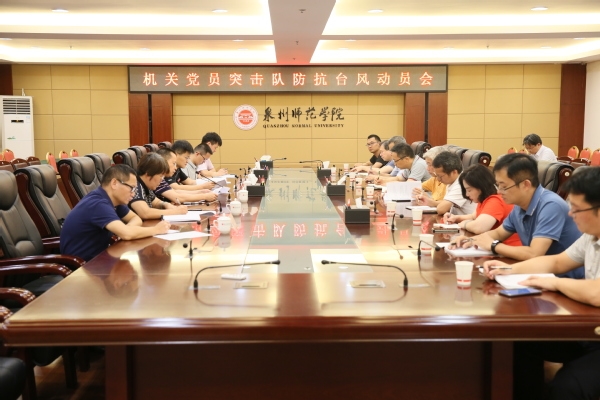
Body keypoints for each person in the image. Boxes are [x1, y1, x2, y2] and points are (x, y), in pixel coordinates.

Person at [483, 167, 600, 400]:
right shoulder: (591, 235)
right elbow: (557, 262)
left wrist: (555, 284)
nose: (570, 214)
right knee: (520, 344)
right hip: (591, 330)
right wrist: (507, 269)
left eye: (576, 209)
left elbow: (597, 293)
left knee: (568, 386)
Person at [451, 153, 582, 267]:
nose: (499, 192)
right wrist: (470, 241)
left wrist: (493, 245)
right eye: (498, 185)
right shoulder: (520, 206)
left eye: (504, 187)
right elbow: (498, 234)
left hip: (564, 279)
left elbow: (534, 253)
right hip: (538, 271)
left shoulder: (551, 205)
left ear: (525, 185)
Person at [60, 164, 171, 262]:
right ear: (114, 183)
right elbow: (127, 234)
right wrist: (156, 230)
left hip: (101, 258)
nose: (133, 194)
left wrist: (127, 230)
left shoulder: (113, 200)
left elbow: (135, 219)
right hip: (82, 266)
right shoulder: (98, 204)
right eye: (132, 188)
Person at [445, 164, 521, 245]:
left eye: (469, 190)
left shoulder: (495, 201)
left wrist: (465, 224)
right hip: (495, 245)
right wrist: (456, 218)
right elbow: (474, 216)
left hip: (508, 247)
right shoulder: (483, 200)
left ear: (481, 187)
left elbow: (479, 227)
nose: (467, 194)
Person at [129, 153, 188, 220]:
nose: (162, 180)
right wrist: (175, 212)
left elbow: (156, 202)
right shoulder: (135, 186)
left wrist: (166, 205)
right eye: (161, 176)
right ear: (148, 174)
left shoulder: (146, 184)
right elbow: (145, 213)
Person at [431, 151, 477, 215]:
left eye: (440, 176)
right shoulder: (452, 182)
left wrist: (433, 203)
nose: (438, 179)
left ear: (454, 172)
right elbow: (447, 203)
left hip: (471, 220)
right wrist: (430, 202)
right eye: (437, 175)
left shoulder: (462, 183)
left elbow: (441, 209)